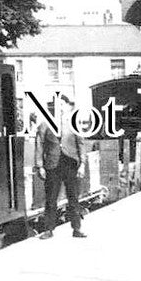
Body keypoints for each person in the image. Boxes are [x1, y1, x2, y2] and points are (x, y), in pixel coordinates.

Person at [35, 96, 87, 239]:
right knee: (51, 199)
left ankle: (76, 229)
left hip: (70, 164)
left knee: (73, 198)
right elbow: (39, 146)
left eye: (62, 104)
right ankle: (48, 230)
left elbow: (81, 144)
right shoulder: (44, 124)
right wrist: (39, 166)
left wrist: (82, 164)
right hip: (53, 166)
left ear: (66, 106)